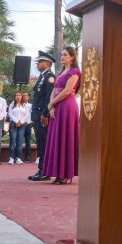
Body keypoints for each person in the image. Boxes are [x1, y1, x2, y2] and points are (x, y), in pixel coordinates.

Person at [41, 47, 81, 184]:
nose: (62, 57)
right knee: (57, 138)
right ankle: (58, 172)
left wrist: (52, 103)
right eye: (61, 54)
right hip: (57, 106)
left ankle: (65, 174)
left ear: (72, 57)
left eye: (65, 55)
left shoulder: (75, 72)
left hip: (67, 107)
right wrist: (51, 106)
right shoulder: (62, 72)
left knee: (66, 138)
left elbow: (67, 91)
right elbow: (54, 90)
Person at [28, 51, 56, 181]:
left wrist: (45, 114)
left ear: (47, 64)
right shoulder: (42, 76)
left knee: (44, 143)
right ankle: (42, 169)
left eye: (40, 62)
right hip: (37, 115)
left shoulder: (50, 77)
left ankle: (44, 171)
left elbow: (49, 98)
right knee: (40, 142)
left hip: (43, 116)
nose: (37, 64)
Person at [8, 92, 30, 165]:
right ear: (15, 97)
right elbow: (10, 114)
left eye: (19, 95)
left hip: (22, 124)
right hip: (13, 124)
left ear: (21, 97)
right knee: (13, 141)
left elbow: (27, 114)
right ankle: (11, 158)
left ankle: (18, 158)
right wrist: (16, 121)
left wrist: (21, 121)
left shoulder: (24, 105)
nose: (18, 96)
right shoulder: (12, 104)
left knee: (20, 141)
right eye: (16, 95)